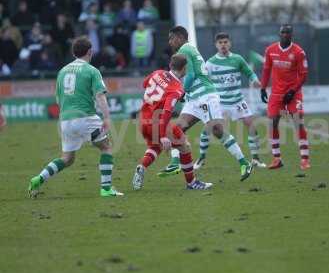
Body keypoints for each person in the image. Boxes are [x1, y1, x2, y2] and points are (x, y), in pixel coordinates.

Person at [28, 36, 123, 198]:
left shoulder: (62, 71)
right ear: (90, 52)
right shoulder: (92, 71)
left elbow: (58, 99)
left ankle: (39, 178)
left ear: (73, 53)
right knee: (106, 147)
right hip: (86, 117)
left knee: (67, 159)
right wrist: (106, 117)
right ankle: (106, 189)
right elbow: (100, 96)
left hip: (65, 120)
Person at [158, 26, 253, 181]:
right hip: (194, 98)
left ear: (179, 37)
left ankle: (244, 163)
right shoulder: (186, 50)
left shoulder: (185, 50)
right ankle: (175, 163)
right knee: (176, 129)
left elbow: (191, 75)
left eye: (171, 38)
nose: (170, 42)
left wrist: (182, 91)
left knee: (217, 129)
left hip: (205, 95)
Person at [133, 53, 213, 190]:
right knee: (185, 146)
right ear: (184, 68)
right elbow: (167, 111)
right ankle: (192, 183)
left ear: (170, 65)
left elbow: (144, 83)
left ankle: (142, 166)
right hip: (157, 123)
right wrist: (163, 135)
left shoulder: (158, 72)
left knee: (155, 146)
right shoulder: (176, 88)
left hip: (142, 120)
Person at [194, 32, 266, 170]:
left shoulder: (237, 59)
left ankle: (256, 159)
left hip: (237, 100)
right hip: (219, 102)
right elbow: (203, 80)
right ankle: (201, 158)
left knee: (251, 125)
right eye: (220, 43)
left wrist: (256, 81)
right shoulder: (210, 63)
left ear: (230, 43)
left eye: (225, 42)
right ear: (216, 45)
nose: (223, 45)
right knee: (208, 128)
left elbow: (249, 72)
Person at [260, 24, 310, 170]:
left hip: (293, 94)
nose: (285, 34)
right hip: (276, 94)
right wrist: (263, 88)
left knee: (297, 122)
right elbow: (266, 69)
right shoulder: (270, 50)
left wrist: (293, 91)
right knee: (272, 123)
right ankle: (277, 158)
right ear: (279, 34)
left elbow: (303, 74)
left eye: (288, 32)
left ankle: (305, 159)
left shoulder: (299, 52)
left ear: (291, 35)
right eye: (283, 32)